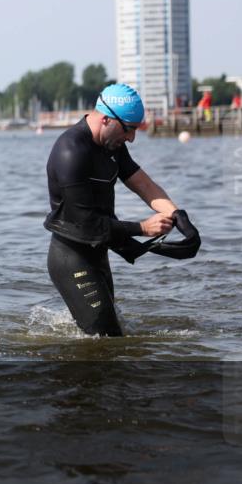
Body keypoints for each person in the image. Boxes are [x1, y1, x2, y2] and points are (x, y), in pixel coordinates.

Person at [44, 83, 184, 336]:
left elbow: (143, 184)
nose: (131, 138)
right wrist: (142, 228)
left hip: (98, 252)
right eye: (129, 129)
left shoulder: (113, 145)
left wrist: (179, 217)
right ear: (107, 119)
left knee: (112, 339)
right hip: (71, 256)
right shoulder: (71, 151)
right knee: (107, 338)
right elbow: (86, 223)